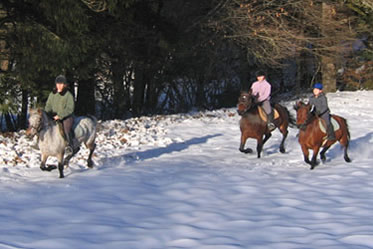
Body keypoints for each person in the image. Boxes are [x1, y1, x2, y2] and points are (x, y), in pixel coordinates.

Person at [45, 75, 76, 156]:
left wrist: (60, 115)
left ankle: (68, 146)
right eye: (58, 83)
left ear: (65, 85)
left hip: (66, 117)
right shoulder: (52, 94)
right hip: (54, 116)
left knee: (66, 129)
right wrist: (47, 113)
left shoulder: (68, 95)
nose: (59, 85)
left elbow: (70, 108)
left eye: (61, 84)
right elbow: (48, 105)